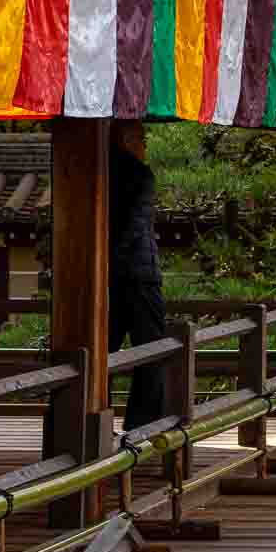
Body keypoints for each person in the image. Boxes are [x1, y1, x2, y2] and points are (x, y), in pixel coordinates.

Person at [109, 123, 166, 431]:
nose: (144, 143)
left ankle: (93, 418)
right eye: (141, 138)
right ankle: (143, 424)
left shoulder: (94, 169)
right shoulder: (138, 174)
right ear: (127, 138)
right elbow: (135, 226)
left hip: (106, 277)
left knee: (102, 350)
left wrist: (106, 267)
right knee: (153, 349)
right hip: (139, 275)